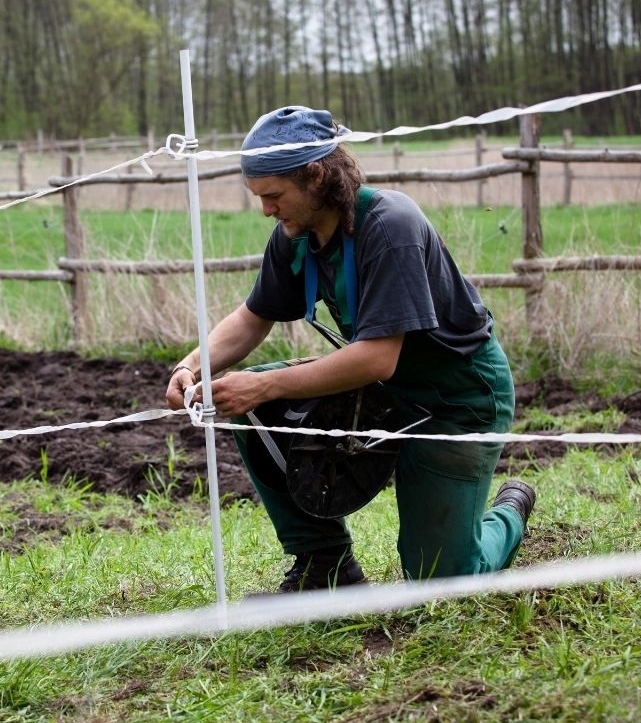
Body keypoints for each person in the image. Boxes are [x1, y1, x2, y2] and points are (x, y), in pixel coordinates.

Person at [165, 106, 535, 593]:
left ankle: (510, 509)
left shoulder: (389, 226)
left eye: (274, 195)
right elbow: (254, 318)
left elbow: (376, 356)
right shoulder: (295, 236)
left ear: (316, 176)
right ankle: (325, 568)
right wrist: (192, 363)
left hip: (459, 397)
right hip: (383, 390)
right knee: (259, 412)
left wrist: (261, 384)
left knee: (440, 580)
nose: (266, 210)